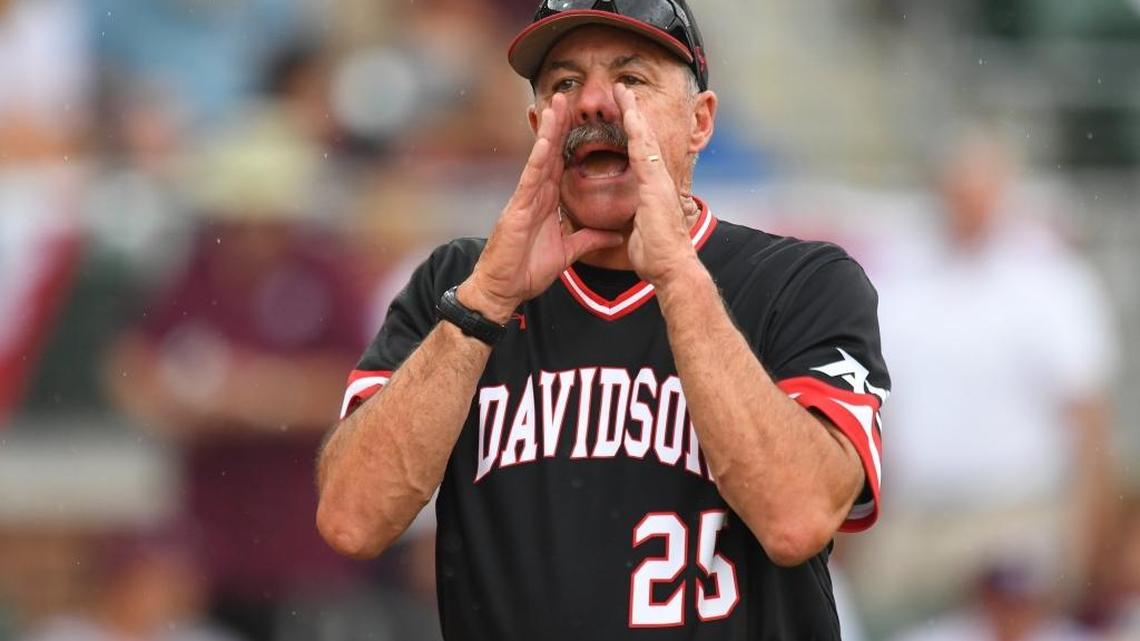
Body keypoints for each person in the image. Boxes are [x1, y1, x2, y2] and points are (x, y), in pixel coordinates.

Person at [316, 1, 890, 639]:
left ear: (700, 122)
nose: (593, 104)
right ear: (538, 124)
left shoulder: (800, 283)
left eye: (631, 80)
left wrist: (678, 278)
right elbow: (352, 520)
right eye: (564, 84)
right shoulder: (458, 288)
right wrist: (482, 306)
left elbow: (798, 518)